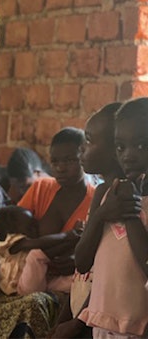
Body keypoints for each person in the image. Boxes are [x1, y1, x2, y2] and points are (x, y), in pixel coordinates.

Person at [0, 128, 95, 338]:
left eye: (70, 160)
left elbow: (96, 254)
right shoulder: (41, 188)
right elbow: (5, 233)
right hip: (18, 274)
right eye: (55, 162)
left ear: (85, 155)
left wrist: (77, 260)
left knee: (33, 304)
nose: (61, 168)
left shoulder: (95, 200)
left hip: (63, 285)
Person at [75, 98, 148, 338]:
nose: (128, 155)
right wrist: (101, 216)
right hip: (103, 323)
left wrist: (131, 213)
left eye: (141, 145)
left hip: (138, 326)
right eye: (120, 147)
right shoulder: (105, 194)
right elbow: (82, 261)